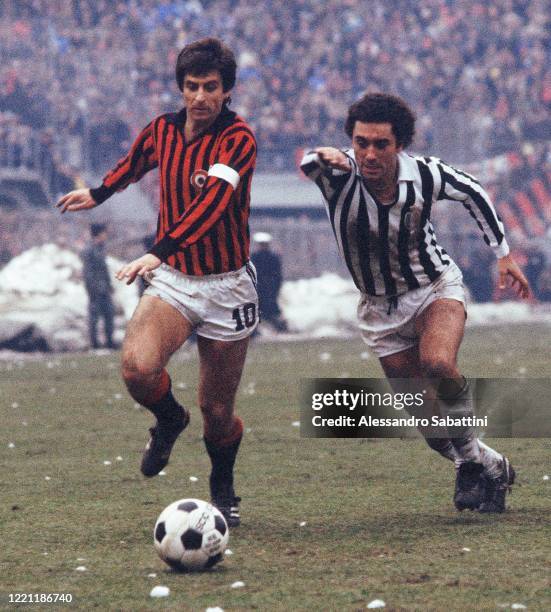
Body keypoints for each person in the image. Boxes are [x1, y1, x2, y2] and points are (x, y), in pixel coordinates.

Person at [56, 38, 258, 526]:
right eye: (191, 87)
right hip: (174, 279)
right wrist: (100, 192)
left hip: (227, 285)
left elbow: (212, 206)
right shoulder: (163, 130)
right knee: (136, 368)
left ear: (227, 91)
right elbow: (136, 160)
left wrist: (157, 249)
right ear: (180, 88)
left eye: (211, 87)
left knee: (216, 409)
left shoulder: (239, 140)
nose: (200, 97)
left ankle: (222, 484)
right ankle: (169, 419)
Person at [301, 92, 530, 513]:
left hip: (434, 288)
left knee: (438, 363)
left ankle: (469, 468)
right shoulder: (338, 175)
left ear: (400, 144)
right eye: (361, 142)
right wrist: (324, 154)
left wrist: (503, 254)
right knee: (432, 430)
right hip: (378, 310)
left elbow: (473, 191)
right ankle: (491, 465)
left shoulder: (425, 175)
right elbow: (308, 164)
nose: (369, 153)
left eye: (380, 144)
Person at [80, 223, 116, 350]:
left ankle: (109, 341)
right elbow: (87, 272)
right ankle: (94, 344)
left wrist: (109, 284)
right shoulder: (88, 250)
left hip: (104, 288)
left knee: (109, 315)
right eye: (104, 233)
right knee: (94, 317)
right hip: (95, 290)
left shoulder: (101, 248)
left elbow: (104, 269)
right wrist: (92, 289)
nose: (106, 235)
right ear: (99, 234)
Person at [252, 232, 288, 332]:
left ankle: (282, 329)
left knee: (272, 312)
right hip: (258, 289)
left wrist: (275, 289)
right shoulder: (254, 257)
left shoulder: (273, 258)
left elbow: (277, 275)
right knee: (257, 312)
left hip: (270, 289)